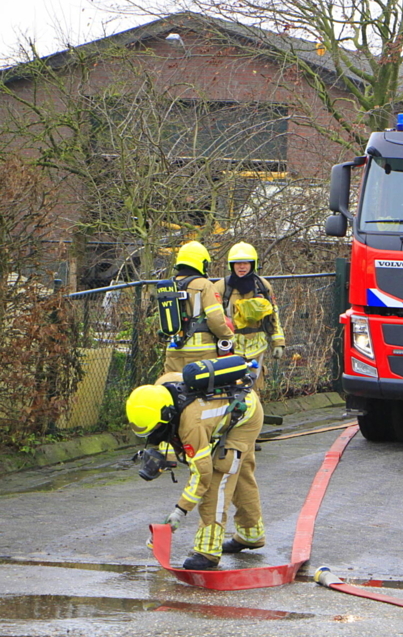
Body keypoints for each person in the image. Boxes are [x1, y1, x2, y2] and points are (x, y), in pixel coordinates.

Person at [125, 365, 265, 570]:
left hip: (245, 416)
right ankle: (251, 534)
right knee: (241, 476)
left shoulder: (192, 422)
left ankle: (208, 551)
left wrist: (179, 512)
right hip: (234, 404)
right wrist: (161, 451)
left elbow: (202, 474)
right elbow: (165, 431)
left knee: (219, 477)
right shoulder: (157, 392)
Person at [215, 242, 286, 389]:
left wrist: (278, 342)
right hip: (231, 349)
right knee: (231, 388)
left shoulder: (263, 286)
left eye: (246, 263)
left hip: (257, 348)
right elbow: (213, 318)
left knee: (254, 388)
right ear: (231, 265)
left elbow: (273, 316)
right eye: (238, 263)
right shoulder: (221, 287)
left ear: (252, 264)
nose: (242, 267)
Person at [163, 241, 234, 373]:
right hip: (202, 351)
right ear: (202, 263)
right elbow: (215, 319)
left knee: (174, 384)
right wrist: (228, 338)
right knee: (202, 385)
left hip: (173, 349)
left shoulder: (168, 286)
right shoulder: (205, 285)